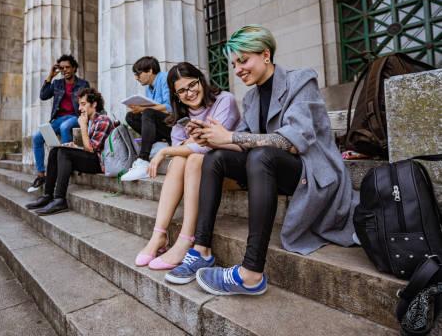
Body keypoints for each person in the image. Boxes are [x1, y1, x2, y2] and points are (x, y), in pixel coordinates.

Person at [170, 24, 357, 294]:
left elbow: (293, 142)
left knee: (260, 156)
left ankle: (251, 273)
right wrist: (212, 139)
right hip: (271, 171)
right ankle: (201, 249)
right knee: (216, 158)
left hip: (311, 172)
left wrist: (231, 137)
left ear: (265, 54)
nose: (237, 69)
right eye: (234, 64)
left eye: (243, 60)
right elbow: (242, 143)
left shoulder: (301, 80)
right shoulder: (251, 98)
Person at [133, 63, 240, 283]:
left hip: (229, 167)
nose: (190, 93)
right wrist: (180, 147)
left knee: (191, 157)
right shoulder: (179, 119)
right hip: (202, 171)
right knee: (182, 159)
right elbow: (182, 147)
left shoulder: (224, 100)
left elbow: (208, 144)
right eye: (182, 91)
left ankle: (186, 238)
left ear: (201, 80)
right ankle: (159, 234)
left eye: (193, 85)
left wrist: (166, 151)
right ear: (176, 95)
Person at [25, 88, 114, 215]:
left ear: (94, 104)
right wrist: (73, 146)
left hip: (100, 163)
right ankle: (47, 195)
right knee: (56, 150)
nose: (79, 109)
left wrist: (82, 126)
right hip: (92, 158)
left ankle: (60, 199)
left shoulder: (103, 120)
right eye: (79, 105)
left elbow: (91, 149)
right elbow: (88, 147)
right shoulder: (91, 121)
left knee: (64, 153)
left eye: (83, 104)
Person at [28, 54, 90, 193]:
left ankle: (65, 166)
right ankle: (41, 175)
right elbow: (43, 96)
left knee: (65, 127)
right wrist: (50, 76)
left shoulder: (83, 84)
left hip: (75, 116)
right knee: (37, 137)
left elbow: (88, 102)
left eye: (68, 67)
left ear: (74, 68)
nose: (65, 70)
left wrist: (85, 118)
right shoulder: (57, 84)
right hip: (58, 119)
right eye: (62, 68)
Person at [121, 56, 172, 182]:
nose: (136, 78)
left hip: (173, 125)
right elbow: (154, 108)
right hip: (162, 123)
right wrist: (139, 108)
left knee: (148, 112)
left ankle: (143, 159)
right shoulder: (149, 87)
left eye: (138, 74)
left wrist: (144, 109)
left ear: (149, 71)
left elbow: (169, 107)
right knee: (131, 116)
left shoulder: (165, 78)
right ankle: (158, 142)